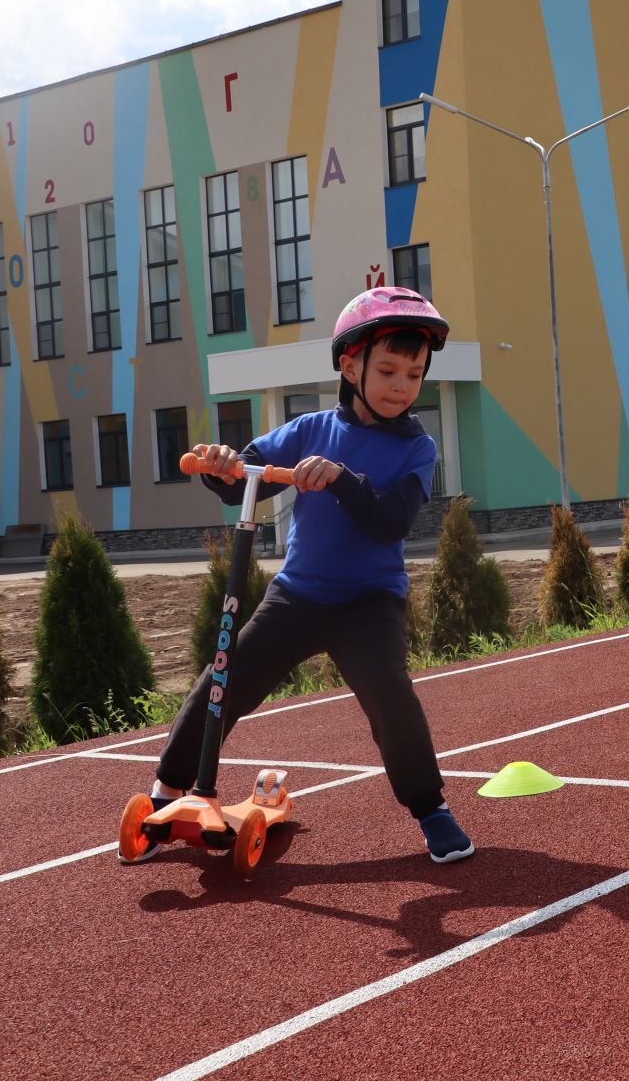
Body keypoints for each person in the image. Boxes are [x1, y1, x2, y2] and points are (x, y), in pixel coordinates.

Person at [143, 287, 474, 864]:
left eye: (415, 374)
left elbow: (389, 522)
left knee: (390, 695)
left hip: (369, 601)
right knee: (222, 682)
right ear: (350, 366)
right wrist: (220, 468)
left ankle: (431, 808)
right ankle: (167, 794)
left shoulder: (418, 449)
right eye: (389, 370)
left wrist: (344, 480)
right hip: (296, 597)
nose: (402, 385)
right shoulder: (308, 430)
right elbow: (245, 477)